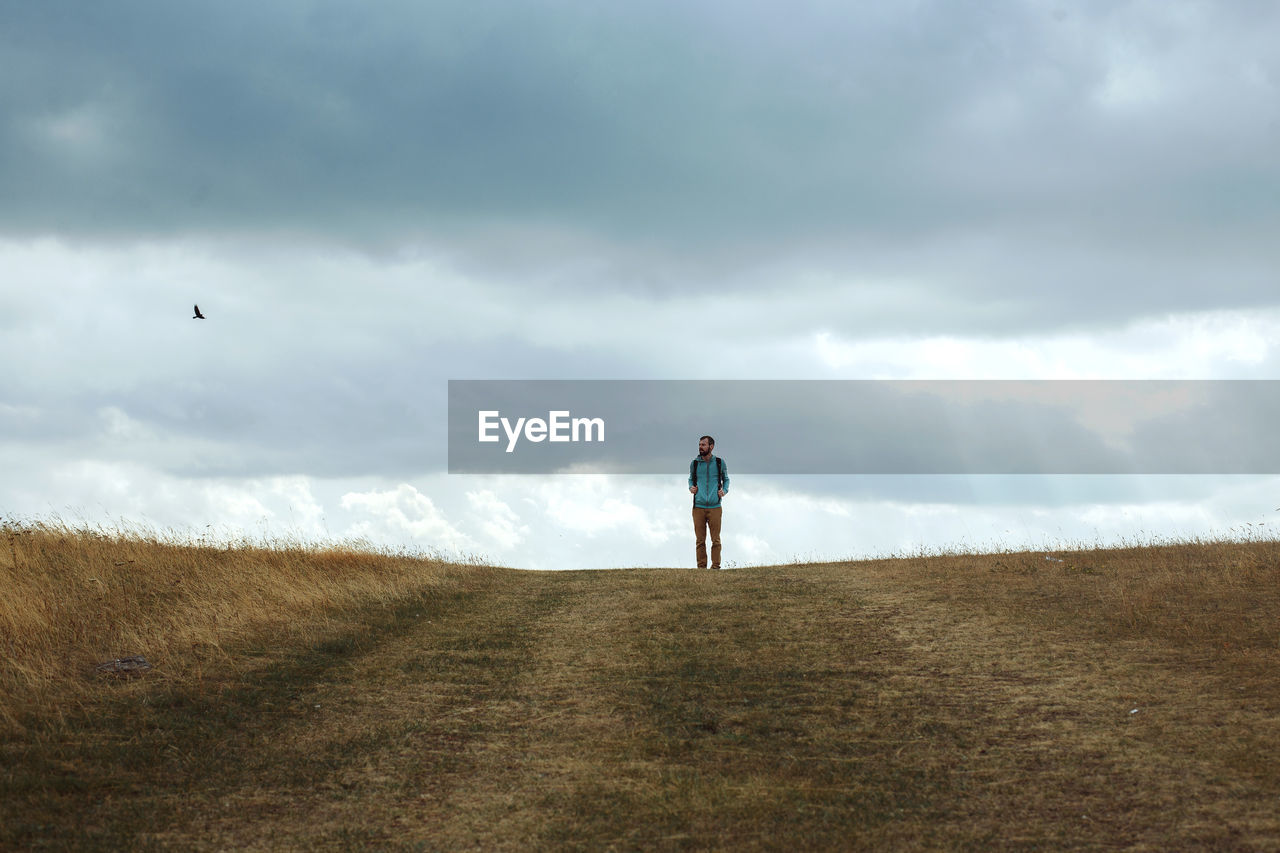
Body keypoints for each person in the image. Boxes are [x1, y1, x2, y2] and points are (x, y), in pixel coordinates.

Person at [688, 435, 729, 569]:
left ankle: (715, 567)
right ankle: (701, 568)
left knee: (715, 540)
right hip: (698, 507)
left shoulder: (719, 462)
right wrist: (691, 487)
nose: (700, 447)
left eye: (703, 445)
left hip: (715, 507)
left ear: (711, 446)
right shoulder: (694, 463)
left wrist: (724, 490)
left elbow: (726, 479)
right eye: (700, 444)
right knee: (700, 540)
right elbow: (690, 479)